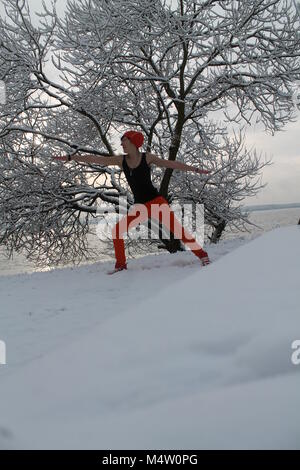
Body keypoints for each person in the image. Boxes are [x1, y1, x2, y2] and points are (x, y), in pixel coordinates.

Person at [53, 130, 211, 274]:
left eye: (124, 141)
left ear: (133, 142)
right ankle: (121, 265)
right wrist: (70, 157)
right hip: (140, 206)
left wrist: (195, 170)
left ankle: (203, 256)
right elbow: (96, 159)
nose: (121, 144)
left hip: (156, 202)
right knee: (117, 231)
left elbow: (171, 164)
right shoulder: (120, 160)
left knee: (178, 231)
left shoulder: (147, 157)